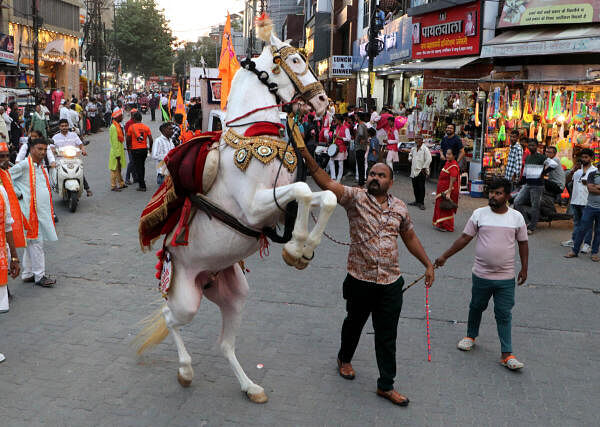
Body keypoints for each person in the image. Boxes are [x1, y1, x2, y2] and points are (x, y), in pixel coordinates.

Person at [299, 147, 435, 405]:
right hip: (359, 279)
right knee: (354, 324)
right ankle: (345, 358)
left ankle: (386, 385)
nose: (375, 178)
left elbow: (410, 237)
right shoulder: (355, 198)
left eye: (381, 175)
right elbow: (327, 182)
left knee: (387, 335)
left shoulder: (399, 208)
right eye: (372, 173)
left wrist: (427, 264)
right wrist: (307, 156)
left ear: (391, 182)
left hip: (390, 283)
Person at [435, 178, 528, 370]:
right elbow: (464, 238)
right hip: (481, 275)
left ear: (507, 196)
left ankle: (506, 354)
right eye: (491, 192)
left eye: (498, 193)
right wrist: (444, 256)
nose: (492, 196)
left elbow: (523, 243)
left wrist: (524, 268)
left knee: (503, 314)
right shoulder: (479, 214)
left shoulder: (516, 218)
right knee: (476, 306)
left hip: (506, 278)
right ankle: (470, 336)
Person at [9, 138, 57, 287]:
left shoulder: (40, 166)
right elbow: (6, 177)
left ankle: (28, 273)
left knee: (32, 242)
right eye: (39, 149)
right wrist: (17, 193)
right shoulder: (24, 165)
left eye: (44, 149)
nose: (42, 152)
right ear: (31, 149)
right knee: (37, 242)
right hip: (30, 213)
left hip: (39, 212)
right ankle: (40, 276)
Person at [0, 140, 25, 312]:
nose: (4, 159)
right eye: (1, 157)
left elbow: (7, 223)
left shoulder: (6, 175)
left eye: (7, 156)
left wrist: (15, 257)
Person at [561, 149, 597, 252]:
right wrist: (572, 171)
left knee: (588, 224)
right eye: (582, 157)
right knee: (577, 222)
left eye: (586, 157)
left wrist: (589, 185)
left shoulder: (594, 171)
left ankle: (587, 244)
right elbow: (567, 182)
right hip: (575, 199)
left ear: (591, 159)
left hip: (587, 200)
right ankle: (574, 239)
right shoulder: (577, 170)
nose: (584, 159)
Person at [565, 165, 600, 262]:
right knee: (582, 228)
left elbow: (592, 187)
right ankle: (575, 251)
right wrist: (594, 187)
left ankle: (594, 253)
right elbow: (590, 189)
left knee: (598, 231)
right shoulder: (593, 174)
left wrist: (595, 186)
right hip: (590, 207)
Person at [52, 119, 92, 197]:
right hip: (61, 159)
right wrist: (54, 151)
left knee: (79, 170)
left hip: (73, 158)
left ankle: (87, 188)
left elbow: (80, 144)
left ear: (68, 126)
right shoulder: (55, 137)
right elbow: (52, 147)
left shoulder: (73, 135)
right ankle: (57, 185)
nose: (64, 127)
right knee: (57, 171)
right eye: (62, 126)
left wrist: (83, 150)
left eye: (66, 126)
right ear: (59, 127)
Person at [514, 139, 546, 234]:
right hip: (527, 184)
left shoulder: (541, 157)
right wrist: (521, 181)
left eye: (533, 145)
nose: (531, 147)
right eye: (530, 145)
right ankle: (527, 222)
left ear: (537, 146)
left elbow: (553, 165)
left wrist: (543, 172)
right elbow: (525, 171)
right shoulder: (528, 157)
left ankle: (532, 227)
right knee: (517, 202)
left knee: (535, 206)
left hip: (537, 185)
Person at [432, 148, 460, 231]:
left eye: (449, 154)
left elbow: (453, 180)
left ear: (454, 155)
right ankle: (440, 224)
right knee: (440, 206)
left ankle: (446, 226)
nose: (447, 155)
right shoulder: (448, 162)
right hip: (442, 189)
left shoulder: (454, 166)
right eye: (447, 153)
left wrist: (448, 192)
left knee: (445, 207)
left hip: (447, 190)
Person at [126, 112, 153, 192]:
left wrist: (128, 147)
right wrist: (150, 148)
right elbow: (151, 139)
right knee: (142, 166)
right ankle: (142, 182)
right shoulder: (146, 127)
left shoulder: (131, 127)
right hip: (144, 149)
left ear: (134, 119)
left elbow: (128, 139)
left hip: (135, 150)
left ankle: (142, 185)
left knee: (138, 167)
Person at [408, 135, 432, 210]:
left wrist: (424, 168)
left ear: (422, 140)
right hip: (414, 170)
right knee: (415, 187)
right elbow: (410, 155)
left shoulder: (425, 149)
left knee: (421, 187)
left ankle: (421, 203)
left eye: (419, 139)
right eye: (416, 139)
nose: (417, 140)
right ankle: (416, 201)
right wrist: (410, 158)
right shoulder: (413, 149)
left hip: (421, 171)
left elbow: (429, 159)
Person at [108, 109, 127, 192]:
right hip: (116, 151)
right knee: (114, 169)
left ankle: (121, 183)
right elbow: (114, 142)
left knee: (119, 168)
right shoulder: (113, 127)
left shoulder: (118, 125)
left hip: (119, 149)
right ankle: (113, 185)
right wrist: (117, 154)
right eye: (121, 116)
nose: (122, 117)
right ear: (117, 117)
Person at [328, 115, 350, 182]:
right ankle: (333, 177)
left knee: (340, 163)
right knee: (331, 161)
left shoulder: (346, 128)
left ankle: (338, 178)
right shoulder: (336, 127)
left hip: (341, 148)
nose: (335, 121)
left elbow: (348, 139)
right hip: (336, 147)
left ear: (339, 120)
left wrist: (339, 137)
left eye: (336, 119)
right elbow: (335, 137)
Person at [354, 113, 368, 186]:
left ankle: (361, 183)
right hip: (362, 147)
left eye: (356, 116)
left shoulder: (361, 125)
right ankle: (361, 181)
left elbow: (361, 134)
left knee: (360, 165)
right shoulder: (364, 125)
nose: (355, 117)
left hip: (360, 147)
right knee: (361, 165)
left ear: (358, 117)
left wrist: (360, 139)